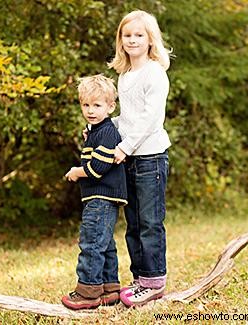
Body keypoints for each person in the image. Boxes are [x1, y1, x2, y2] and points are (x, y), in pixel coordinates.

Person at [108, 10, 171, 307]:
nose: (132, 39)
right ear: (121, 40)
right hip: (131, 158)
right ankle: (140, 278)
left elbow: (149, 119)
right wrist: (104, 130)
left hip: (150, 159)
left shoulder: (154, 73)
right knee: (132, 222)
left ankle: (155, 280)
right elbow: (129, 118)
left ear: (150, 40)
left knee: (150, 222)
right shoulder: (125, 74)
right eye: (127, 35)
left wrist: (124, 147)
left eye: (139, 35)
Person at [61, 74, 127, 310]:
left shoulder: (108, 132)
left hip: (102, 195)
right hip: (101, 196)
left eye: (97, 105)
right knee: (105, 241)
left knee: (91, 242)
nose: (90, 110)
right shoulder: (97, 131)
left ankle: (88, 291)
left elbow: (97, 168)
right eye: (86, 105)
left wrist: (77, 172)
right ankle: (109, 289)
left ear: (110, 106)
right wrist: (89, 137)